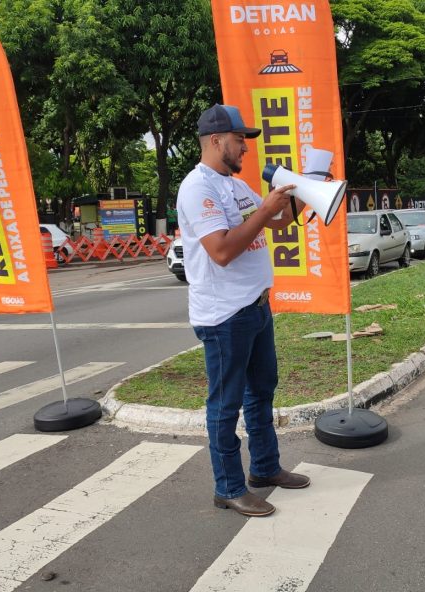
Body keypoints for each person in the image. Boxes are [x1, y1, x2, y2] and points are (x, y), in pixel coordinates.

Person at [177, 103, 310, 517]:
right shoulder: (198, 188)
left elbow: (279, 222)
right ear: (216, 142)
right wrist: (267, 211)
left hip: (255, 307)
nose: (246, 150)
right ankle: (228, 487)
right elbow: (220, 251)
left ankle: (265, 469)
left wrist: (306, 193)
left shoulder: (235, 186)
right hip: (223, 316)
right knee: (225, 404)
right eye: (240, 142)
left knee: (261, 393)